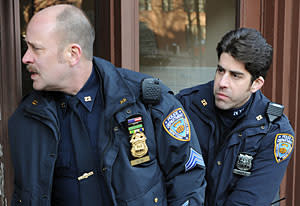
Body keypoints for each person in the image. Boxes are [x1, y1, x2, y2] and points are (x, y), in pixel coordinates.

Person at [8, 4, 206, 206]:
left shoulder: (145, 100)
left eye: (36, 49)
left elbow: (188, 176)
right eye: (27, 47)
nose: (25, 58)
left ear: (73, 54)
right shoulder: (27, 118)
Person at [176, 28, 295, 206]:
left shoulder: (274, 131)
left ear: (256, 84)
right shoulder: (186, 105)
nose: (222, 83)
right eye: (220, 71)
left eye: (235, 76)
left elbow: (248, 202)